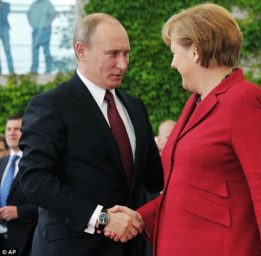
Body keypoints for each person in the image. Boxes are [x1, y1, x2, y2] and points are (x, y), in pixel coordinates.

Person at [110, 3, 261, 256]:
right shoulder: (195, 104)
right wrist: (141, 217)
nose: (173, 64)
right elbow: (189, 192)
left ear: (196, 52)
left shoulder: (244, 100)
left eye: (175, 53)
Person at [18, 13, 163, 256]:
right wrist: (102, 218)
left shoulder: (135, 106)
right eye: (113, 54)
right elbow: (35, 180)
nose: (123, 64)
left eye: (126, 53)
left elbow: (154, 179)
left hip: (133, 249)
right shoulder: (51, 105)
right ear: (81, 50)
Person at [0, 113, 38, 255]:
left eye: (17, 129)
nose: (11, 133)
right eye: (8, 129)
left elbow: (48, 201)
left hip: (26, 239)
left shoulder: (37, 163)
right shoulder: (1, 163)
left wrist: (20, 212)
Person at [27, 0, 56, 74]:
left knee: (46, 50)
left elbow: (53, 14)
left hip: (45, 30)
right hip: (36, 30)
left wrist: (47, 23)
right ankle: (34, 69)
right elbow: (28, 15)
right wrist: (32, 24)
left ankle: (48, 69)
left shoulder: (47, 4)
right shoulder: (33, 5)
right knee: (35, 51)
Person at [0, 0, 14, 74]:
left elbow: (6, 12)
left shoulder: (6, 5)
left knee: (7, 50)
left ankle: (11, 71)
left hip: (4, 28)